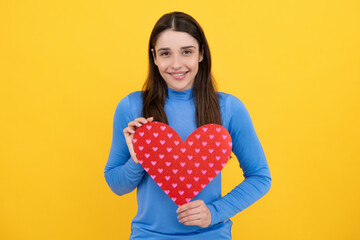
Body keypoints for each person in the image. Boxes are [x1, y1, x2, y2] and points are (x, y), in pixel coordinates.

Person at [104, 11, 271, 239]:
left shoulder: (230, 108)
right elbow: (117, 185)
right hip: (149, 235)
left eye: (187, 52)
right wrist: (137, 158)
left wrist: (215, 212)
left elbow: (260, 177)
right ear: (154, 57)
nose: (176, 64)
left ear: (201, 53)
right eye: (165, 53)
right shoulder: (132, 107)